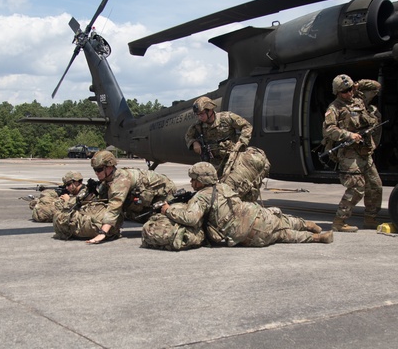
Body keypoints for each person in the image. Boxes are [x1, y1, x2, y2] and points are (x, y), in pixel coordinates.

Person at [159, 162, 333, 246]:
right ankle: (308, 225)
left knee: (283, 235)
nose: (191, 183)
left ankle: (317, 238)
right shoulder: (223, 187)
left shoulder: (201, 197)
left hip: (248, 232)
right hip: (258, 213)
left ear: (202, 180)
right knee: (283, 221)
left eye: (193, 179)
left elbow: (190, 218)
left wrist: (168, 210)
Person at [59, 149, 176, 245]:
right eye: (95, 170)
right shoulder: (107, 181)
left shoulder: (121, 180)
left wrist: (102, 233)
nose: (96, 173)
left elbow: (114, 206)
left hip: (166, 196)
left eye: (99, 169)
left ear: (109, 167)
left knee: (154, 225)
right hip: (147, 198)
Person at [321, 74, 383, 232]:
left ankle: (370, 218)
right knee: (356, 187)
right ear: (337, 92)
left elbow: (376, 87)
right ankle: (339, 221)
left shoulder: (359, 99)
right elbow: (328, 129)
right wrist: (349, 135)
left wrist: (358, 84)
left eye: (350, 90)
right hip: (349, 153)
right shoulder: (334, 108)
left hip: (364, 151)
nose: (349, 93)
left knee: (375, 185)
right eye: (344, 91)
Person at [185, 95, 253, 178]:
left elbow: (246, 126)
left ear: (210, 110)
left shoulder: (227, 118)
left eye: (202, 114)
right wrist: (194, 142)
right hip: (213, 164)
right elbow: (188, 136)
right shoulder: (198, 125)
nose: (200, 117)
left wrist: (241, 142)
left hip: (232, 160)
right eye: (198, 115)